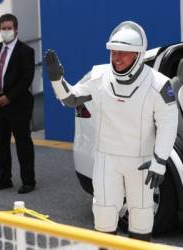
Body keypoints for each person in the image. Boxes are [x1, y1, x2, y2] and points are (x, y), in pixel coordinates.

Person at [44, 21, 178, 241]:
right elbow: (70, 99)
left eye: (123, 53)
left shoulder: (159, 84)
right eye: (114, 52)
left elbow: (168, 122)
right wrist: (57, 80)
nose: (116, 58)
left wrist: (160, 161)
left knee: (142, 217)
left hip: (141, 161)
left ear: (138, 54)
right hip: (107, 159)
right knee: (104, 216)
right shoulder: (99, 76)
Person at [0, 13, 36, 194]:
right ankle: (4, 179)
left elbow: (26, 78)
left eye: (9, 28)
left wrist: (8, 97)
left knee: (23, 143)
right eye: (3, 28)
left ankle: (28, 180)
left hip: (18, 104)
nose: (6, 31)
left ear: (16, 29)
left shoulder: (26, 51)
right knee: (1, 144)